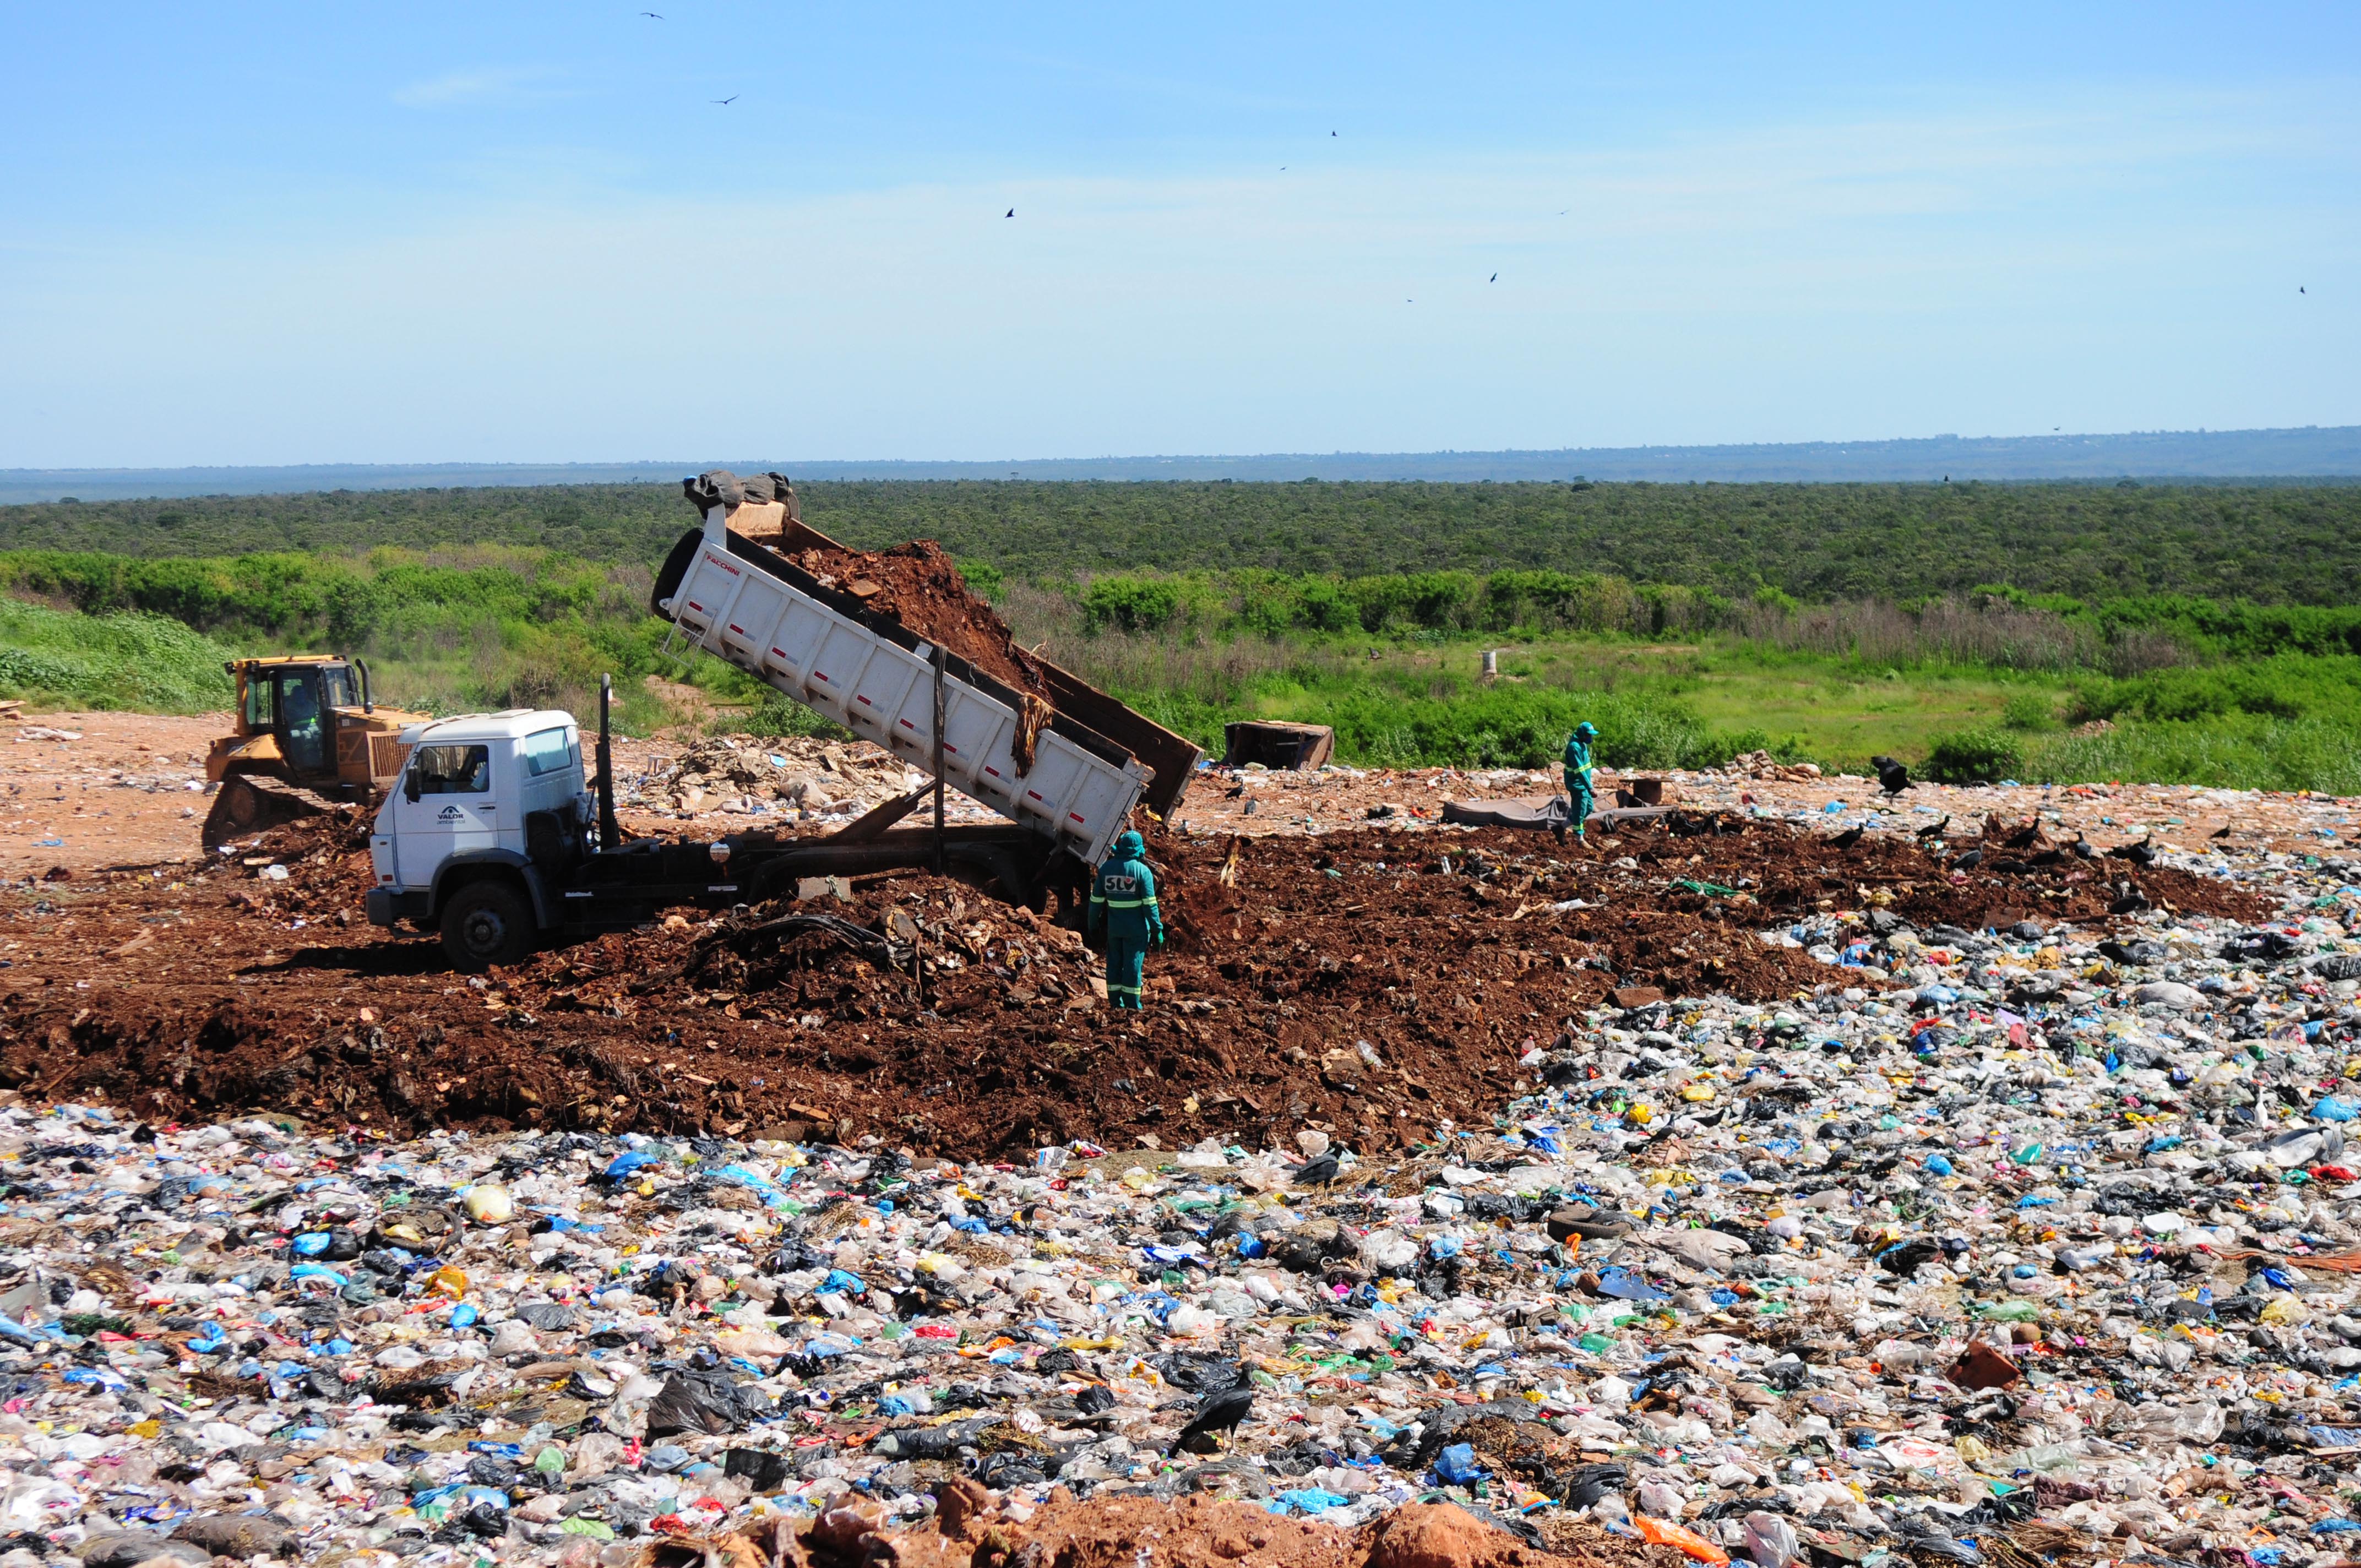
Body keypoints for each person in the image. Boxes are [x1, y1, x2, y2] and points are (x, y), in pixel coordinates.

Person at [1087, 829, 1165, 1010]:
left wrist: (1092, 924)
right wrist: (1157, 930)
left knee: (1114, 963)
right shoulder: (1142, 872)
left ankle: (1115, 1002)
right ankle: (1132, 1005)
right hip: (1136, 930)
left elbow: (1096, 901)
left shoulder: (1106, 869)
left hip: (1114, 929)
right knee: (1133, 964)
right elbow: (1150, 906)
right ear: (1139, 848)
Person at [1561, 721, 1598, 840]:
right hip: (1577, 784)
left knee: (1588, 809)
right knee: (1580, 809)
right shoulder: (1574, 747)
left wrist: (1589, 785)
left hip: (1585, 784)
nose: (1591, 738)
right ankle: (1579, 837)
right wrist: (1590, 787)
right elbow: (1580, 771)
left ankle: (1561, 827)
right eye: (1589, 735)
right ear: (1583, 734)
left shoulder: (1583, 745)